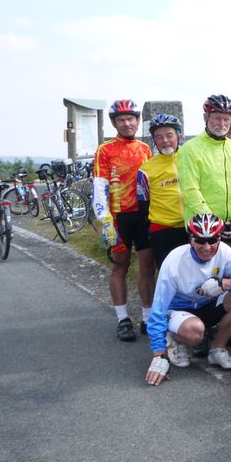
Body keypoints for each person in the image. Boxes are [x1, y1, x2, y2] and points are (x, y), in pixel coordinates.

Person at [144, 213, 231, 384]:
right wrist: (159, 354)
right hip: (179, 310)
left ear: (219, 239)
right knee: (195, 333)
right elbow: (157, 310)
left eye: (212, 239)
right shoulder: (174, 261)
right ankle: (172, 337)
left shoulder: (225, 252)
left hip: (207, 306)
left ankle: (217, 349)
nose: (207, 247)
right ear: (191, 240)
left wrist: (225, 284)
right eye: (200, 240)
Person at [93, 99, 156, 341]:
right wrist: (104, 219)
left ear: (137, 121)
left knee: (147, 267)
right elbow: (99, 185)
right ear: (114, 123)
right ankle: (123, 319)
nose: (127, 123)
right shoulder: (105, 150)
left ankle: (148, 317)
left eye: (131, 119)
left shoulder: (144, 148)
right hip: (118, 216)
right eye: (122, 120)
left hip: (143, 214)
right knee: (121, 265)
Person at [177, 95, 231, 233]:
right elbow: (190, 189)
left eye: (226, 119)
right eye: (217, 118)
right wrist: (212, 220)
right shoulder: (189, 148)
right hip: (202, 224)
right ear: (205, 118)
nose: (222, 124)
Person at [136, 115, 188, 269]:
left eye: (169, 135)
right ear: (154, 141)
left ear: (179, 136)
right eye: (159, 137)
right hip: (162, 229)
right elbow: (143, 202)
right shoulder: (145, 169)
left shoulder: (191, 159)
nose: (165, 140)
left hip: (191, 226)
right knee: (168, 277)